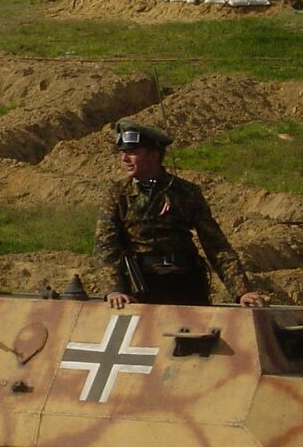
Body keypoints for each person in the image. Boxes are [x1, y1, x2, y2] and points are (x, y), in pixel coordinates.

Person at [94, 119, 267, 309]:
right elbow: (106, 246)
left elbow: (215, 244)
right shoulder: (117, 194)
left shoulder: (186, 192)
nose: (124, 158)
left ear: (153, 155)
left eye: (133, 152)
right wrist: (114, 290)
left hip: (186, 284)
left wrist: (241, 291)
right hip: (140, 288)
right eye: (123, 152)